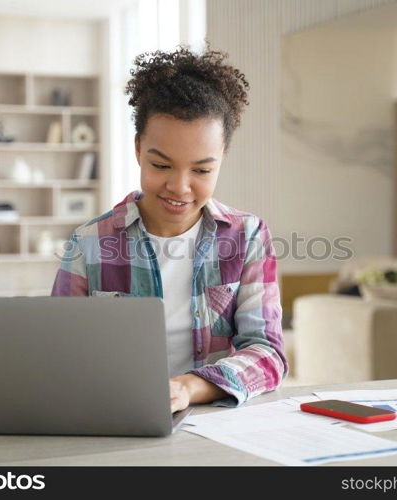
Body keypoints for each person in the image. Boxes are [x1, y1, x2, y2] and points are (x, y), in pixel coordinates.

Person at [51, 45, 287, 412]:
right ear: (138, 149)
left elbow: (268, 354)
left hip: (211, 420)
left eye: (202, 170)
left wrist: (189, 388)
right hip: (112, 416)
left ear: (222, 158)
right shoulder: (89, 242)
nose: (180, 187)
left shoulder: (248, 236)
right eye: (161, 165)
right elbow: (58, 353)